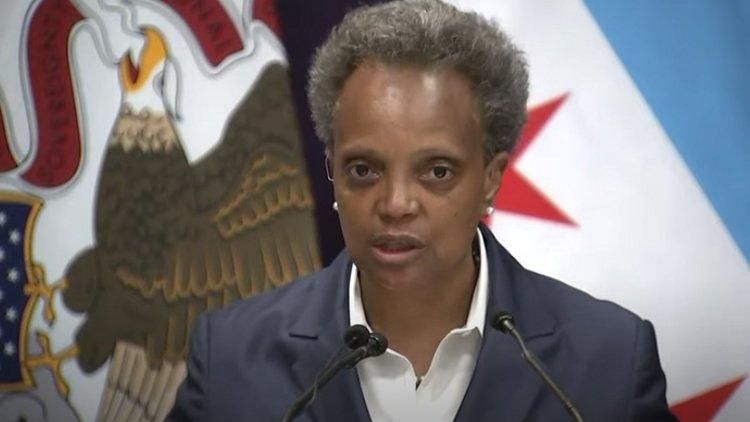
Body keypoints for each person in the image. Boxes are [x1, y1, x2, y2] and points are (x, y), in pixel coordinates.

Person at [169, 1, 676, 420]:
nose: (395, 205)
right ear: (332, 171)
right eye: (364, 170)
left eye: (436, 172)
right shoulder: (231, 358)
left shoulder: (608, 361)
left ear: (491, 177)